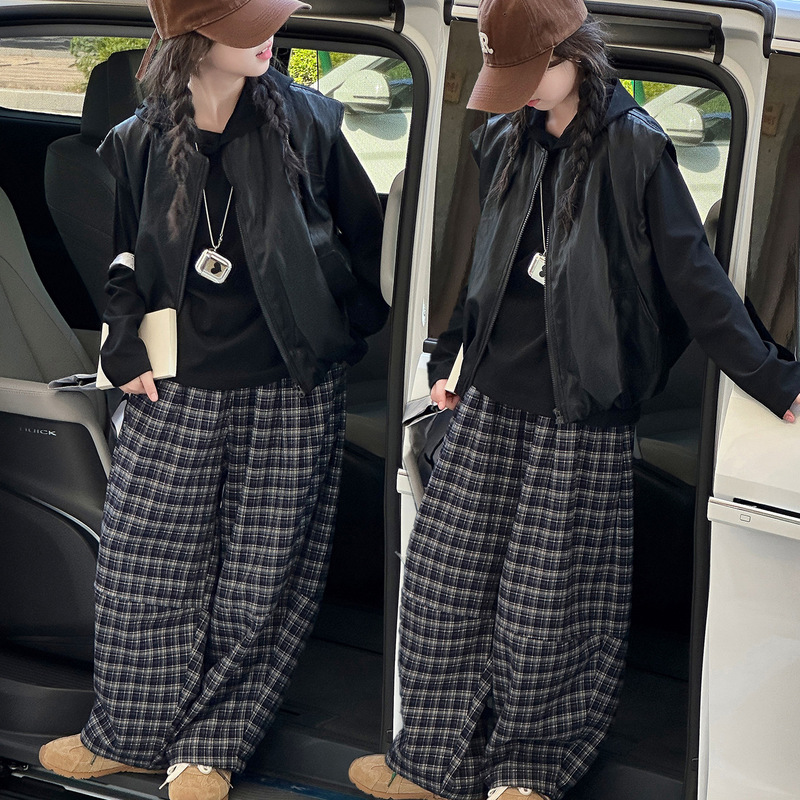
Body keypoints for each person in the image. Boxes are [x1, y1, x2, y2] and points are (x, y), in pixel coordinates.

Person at [348, 0, 800, 799]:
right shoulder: (504, 139)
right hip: (489, 402)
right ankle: (432, 761)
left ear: (577, 56)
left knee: (546, 614)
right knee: (440, 591)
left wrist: (773, 377)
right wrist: (451, 356)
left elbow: (696, 283)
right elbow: (486, 268)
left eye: (532, 74)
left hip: (581, 415)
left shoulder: (637, 149)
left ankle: (526, 773)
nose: (520, 92)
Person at [38, 1, 386, 799]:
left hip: (291, 385)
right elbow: (125, 253)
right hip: (175, 383)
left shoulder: (312, 124)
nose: (269, 36)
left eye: (271, 18)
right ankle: (130, 735)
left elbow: (366, 244)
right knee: (141, 570)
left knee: (263, 580)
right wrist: (122, 341)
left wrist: (336, 331)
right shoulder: (138, 137)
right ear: (194, 35)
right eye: (247, 23)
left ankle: (211, 748)